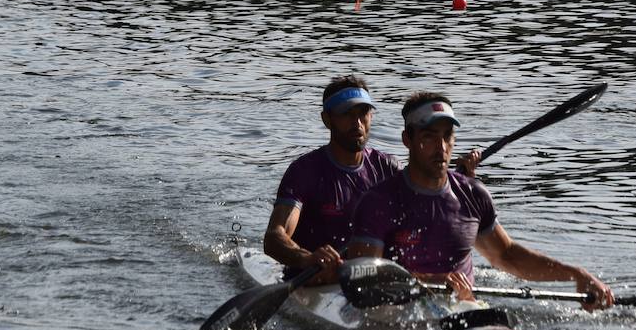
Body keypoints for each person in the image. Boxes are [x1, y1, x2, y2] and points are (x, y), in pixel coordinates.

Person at [348, 92, 615, 310]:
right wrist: (431, 281)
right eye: (429, 136)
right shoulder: (379, 201)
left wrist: (576, 274)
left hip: (463, 308)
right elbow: (362, 277)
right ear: (408, 140)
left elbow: (507, 256)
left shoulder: (472, 194)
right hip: (394, 310)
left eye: (447, 136)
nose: (441, 148)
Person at [263, 75, 402, 282]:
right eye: (347, 114)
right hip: (315, 281)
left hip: (373, 278)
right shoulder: (305, 171)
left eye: (363, 113)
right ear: (327, 119)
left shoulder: (388, 168)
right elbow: (275, 237)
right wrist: (307, 259)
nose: (357, 123)